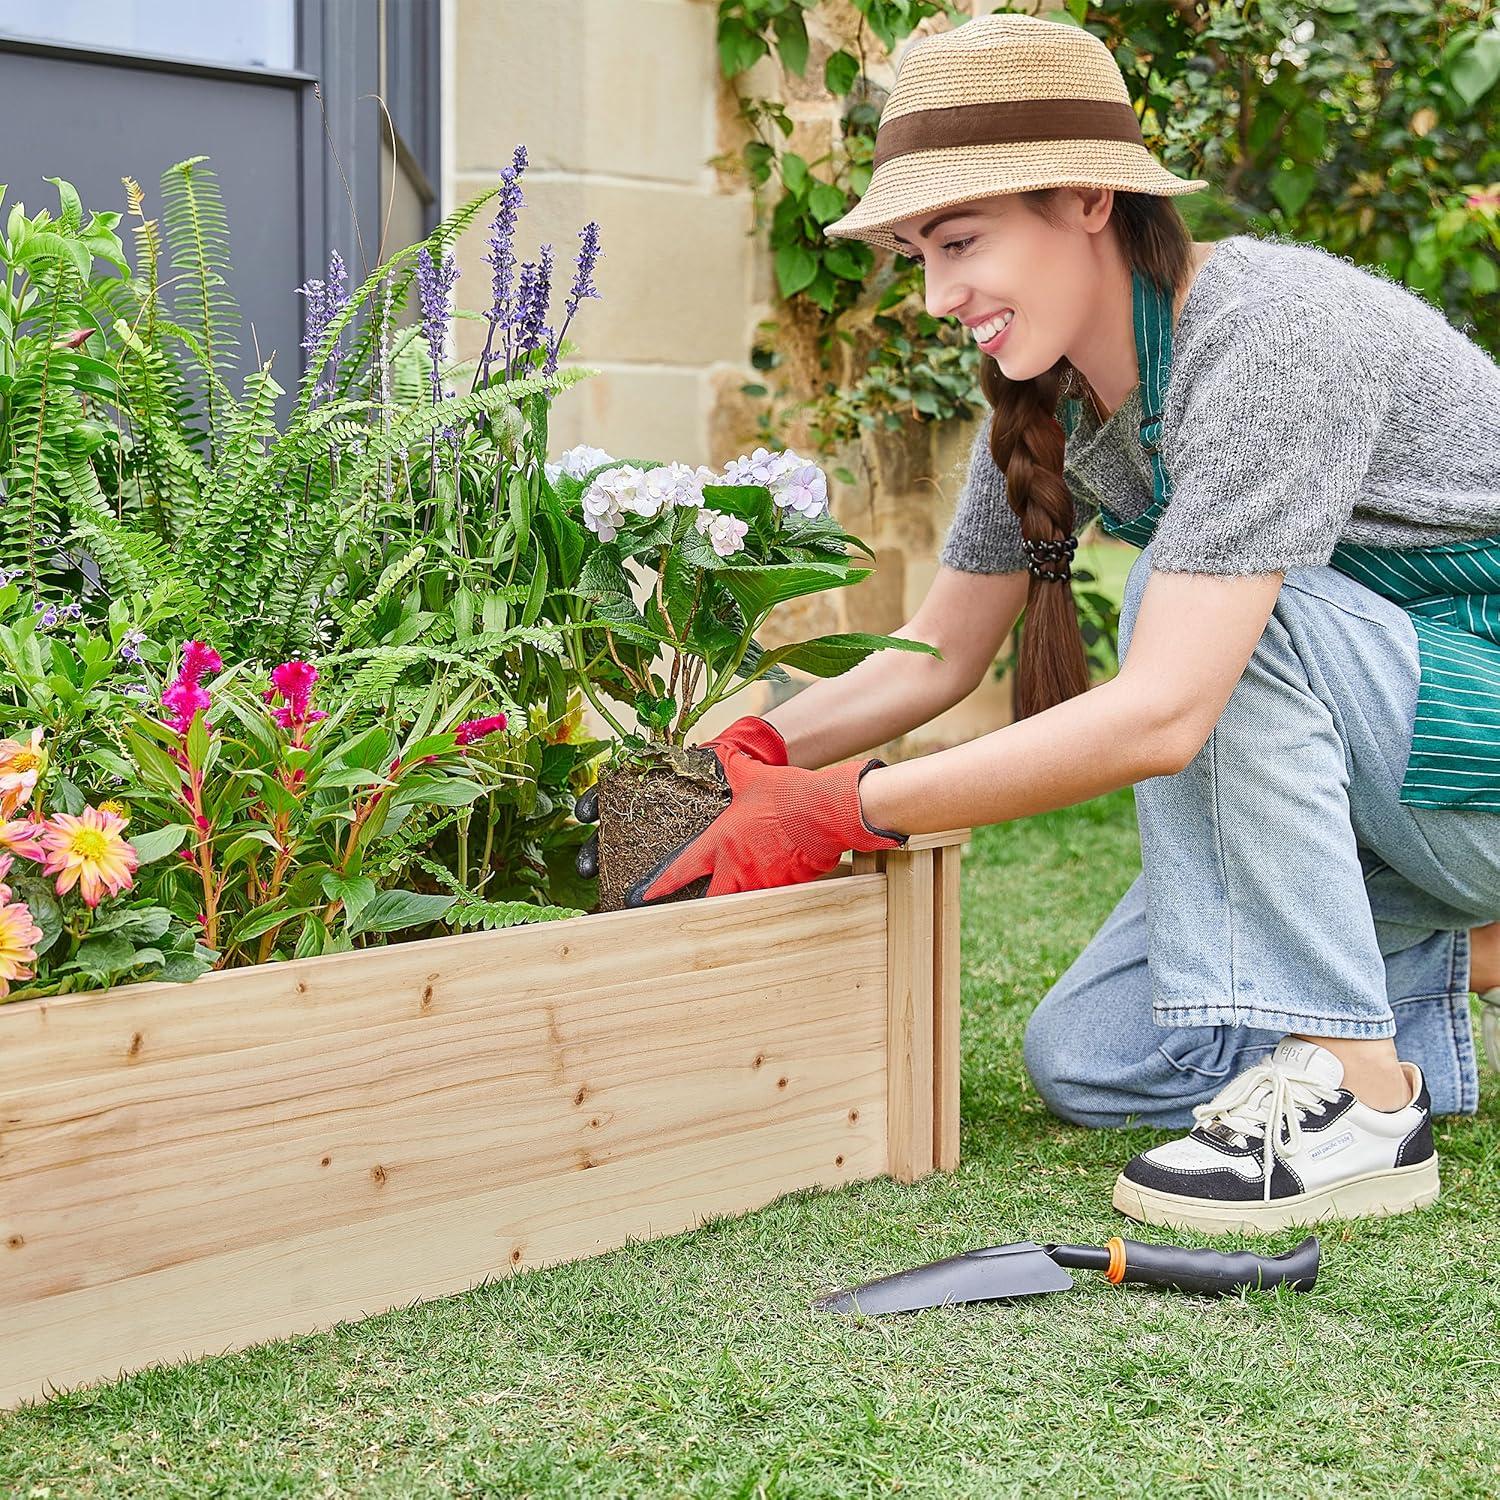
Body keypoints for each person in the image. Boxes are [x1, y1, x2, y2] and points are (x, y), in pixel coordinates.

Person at [575, 13, 1500, 1234]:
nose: (938, 294)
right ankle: (1458, 964)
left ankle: (1364, 1101)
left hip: (1470, 742)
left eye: (961, 242)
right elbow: (939, 655)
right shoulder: (1047, 399)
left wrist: (847, 806)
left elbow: (1167, 712)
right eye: (917, 253)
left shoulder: (1273, 331)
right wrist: (730, 759)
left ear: (1086, 200)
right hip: (1404, 769)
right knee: (1093, 1058)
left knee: (1197, 620)